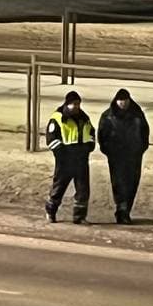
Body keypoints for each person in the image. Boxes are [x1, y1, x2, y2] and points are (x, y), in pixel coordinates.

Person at [98, 88, 151, 225]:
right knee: (119, 183)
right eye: (120, 101)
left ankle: (125, 210)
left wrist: (140, 149)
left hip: (133, 155)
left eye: (125, 101)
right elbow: (102, 136)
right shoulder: (108, 116)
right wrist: (108, 151)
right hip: (116, 156)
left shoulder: (137, 115)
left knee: (132, 183)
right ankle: (122, 210)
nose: (122, 103)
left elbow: (144, 133)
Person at [45, 90, 96, 224]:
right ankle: (51, 211)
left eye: (78, 103)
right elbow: (51, 139)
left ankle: (79, 216)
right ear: (67, 104)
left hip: (81, 159)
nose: (76, 106)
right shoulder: (58, 118)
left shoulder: (84, 118)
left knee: (83, 189)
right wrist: (62, 153)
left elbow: (91, 133)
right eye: (73, 104)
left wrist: (89, 146)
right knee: (59, 187)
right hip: (65, 160)